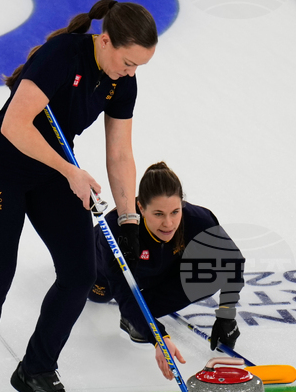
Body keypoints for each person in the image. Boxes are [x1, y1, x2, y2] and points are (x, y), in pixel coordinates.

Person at [0, 0, 158, 392]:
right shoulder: (62, 55)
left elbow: (119, 154)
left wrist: (129, 220)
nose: (131, 71)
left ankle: (37, 370)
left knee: (79, 273)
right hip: (0, 169)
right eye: (128, 61)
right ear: (105, 41)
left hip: (52, 174)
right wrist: (69, 170)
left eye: (140, 65)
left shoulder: (122, 81)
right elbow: (14, 126)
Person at [89, 162, 244, 380]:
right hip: (100, 271)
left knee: (210, 274)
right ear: (140, 208)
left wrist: (227, 315)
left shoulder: (198, 220)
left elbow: (232, 261)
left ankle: (140, 316)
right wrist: (159, 337)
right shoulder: (116, 232)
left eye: (175, 211)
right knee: (99, 295)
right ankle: (136, 317)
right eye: (159, 214)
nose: (169, 223)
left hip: (161, 268)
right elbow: (123, 293)